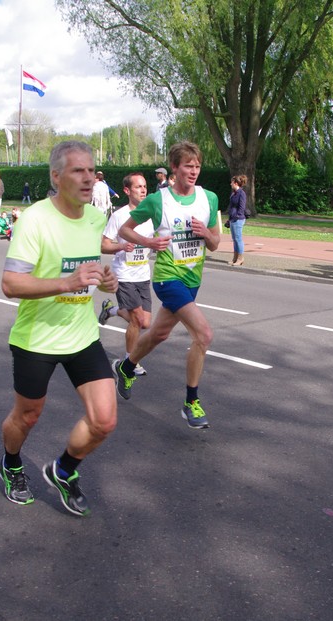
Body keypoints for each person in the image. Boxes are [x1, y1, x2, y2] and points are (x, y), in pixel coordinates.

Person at [0, 140, 119, 516]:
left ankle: (63, 470)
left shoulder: (95, 218)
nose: (89, 178)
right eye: (78, 170)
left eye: (91, 170)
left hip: (82, 335)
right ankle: (11, 463)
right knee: (28, 416)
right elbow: (10, 284)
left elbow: (88, 272)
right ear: (56, 176)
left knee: (104, 420)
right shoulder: (35, 220)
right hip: (38, 338)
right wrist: (67, 282)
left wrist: (106, 281)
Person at [113, 141, 220, 430]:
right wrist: (149, 242)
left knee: (158, 334)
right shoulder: (158, 200)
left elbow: (215, 244)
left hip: (192, 279)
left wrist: (205, 233)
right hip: (167, 278)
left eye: (197, 166)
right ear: (174, 168)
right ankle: (191, 402)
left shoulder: (209, 198)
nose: (194, 171)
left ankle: (126, 367)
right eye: (188, 166)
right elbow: (125, 230)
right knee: (204, 335)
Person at [99, 172, 154, 377]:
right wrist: (121, 246)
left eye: (145, 186)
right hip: (123, 275)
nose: (143, 190)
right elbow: (104, 245)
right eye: (138, 187)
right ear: (127, 190)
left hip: (143, 274)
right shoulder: (119, 216)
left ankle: (111, 310)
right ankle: (130, 362)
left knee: (145, 322)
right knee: (137, 320)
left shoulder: (151, 215)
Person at [226, 175, 248, 266]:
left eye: (232, 182)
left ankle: (240, 258)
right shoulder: (234, 193)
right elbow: (231, 207)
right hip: (233, 219)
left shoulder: (241, 193)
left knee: (238, 239)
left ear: (235, 183)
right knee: (234, 239)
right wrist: (229, 219)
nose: (230, 184)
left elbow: (241, 207)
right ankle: (235, 258)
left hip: (238, 219)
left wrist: (237, 216)